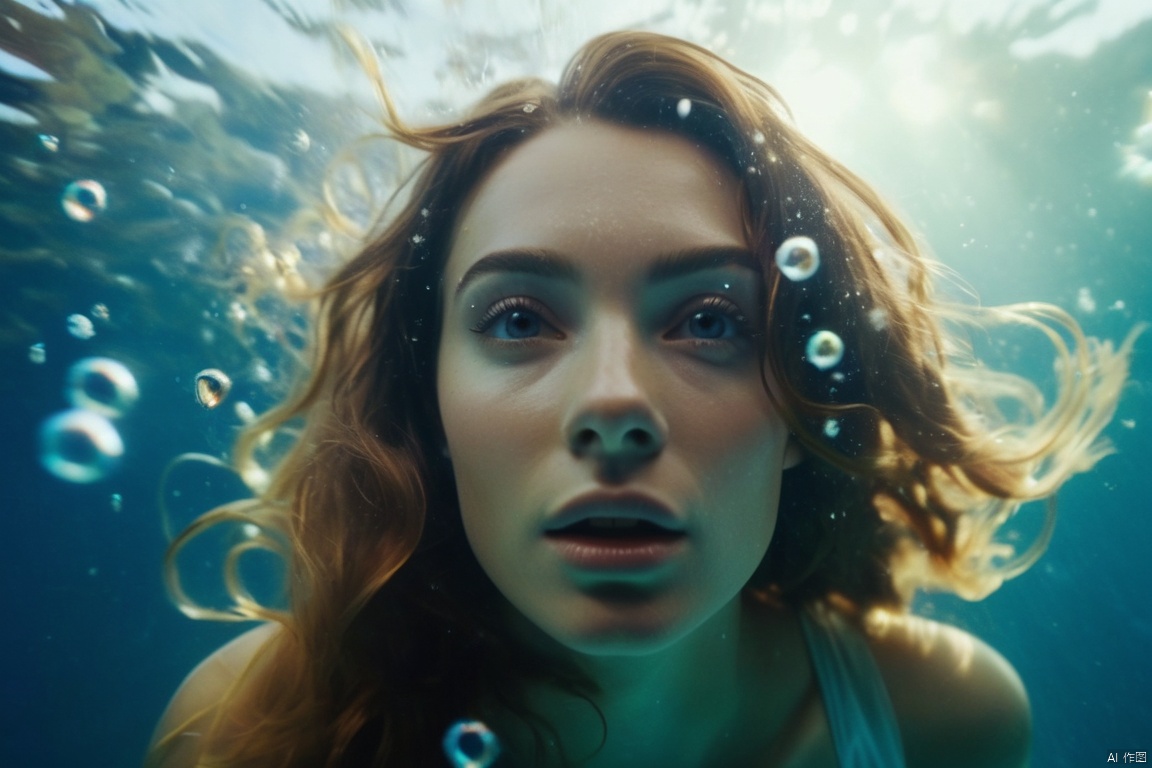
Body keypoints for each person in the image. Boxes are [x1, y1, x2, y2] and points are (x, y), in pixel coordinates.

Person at [146, 30, 1138, 768]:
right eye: (521, 321)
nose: (615, 403)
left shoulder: (951, 722)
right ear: (428, 408)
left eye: (709, 321)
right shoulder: (245, 733)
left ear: (807, 407)